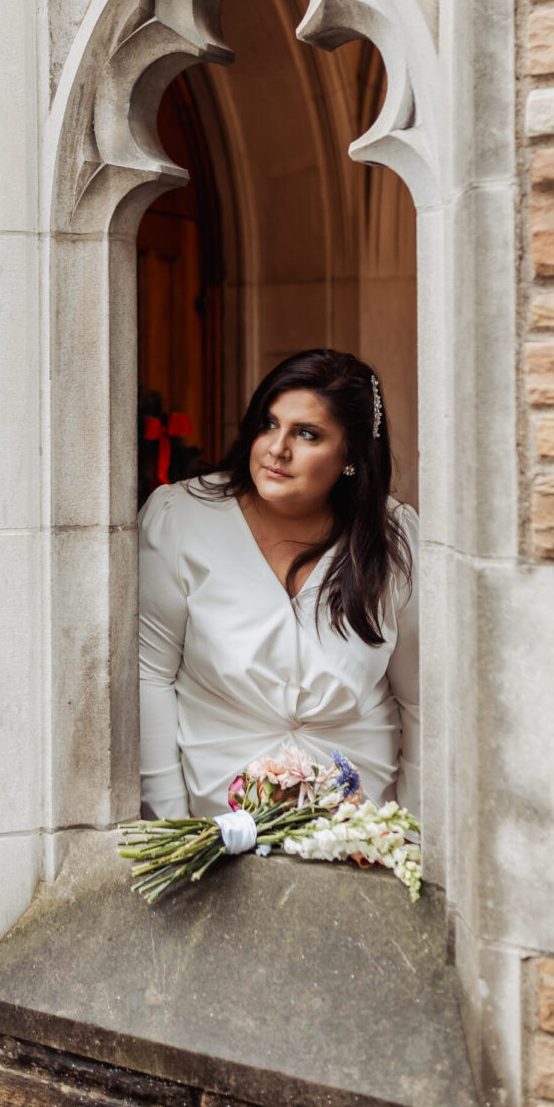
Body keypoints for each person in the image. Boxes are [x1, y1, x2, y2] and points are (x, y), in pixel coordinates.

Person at [138, 348, 419, 822]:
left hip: (361, 826)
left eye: (306, 433)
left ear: (350, 454)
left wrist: (411, 834)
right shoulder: (179, 519)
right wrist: (172, 827)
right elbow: (149, 678)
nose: (277, 448)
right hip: (215, 825)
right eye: (269, 424)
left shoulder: (394, 539)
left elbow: (422, 700)